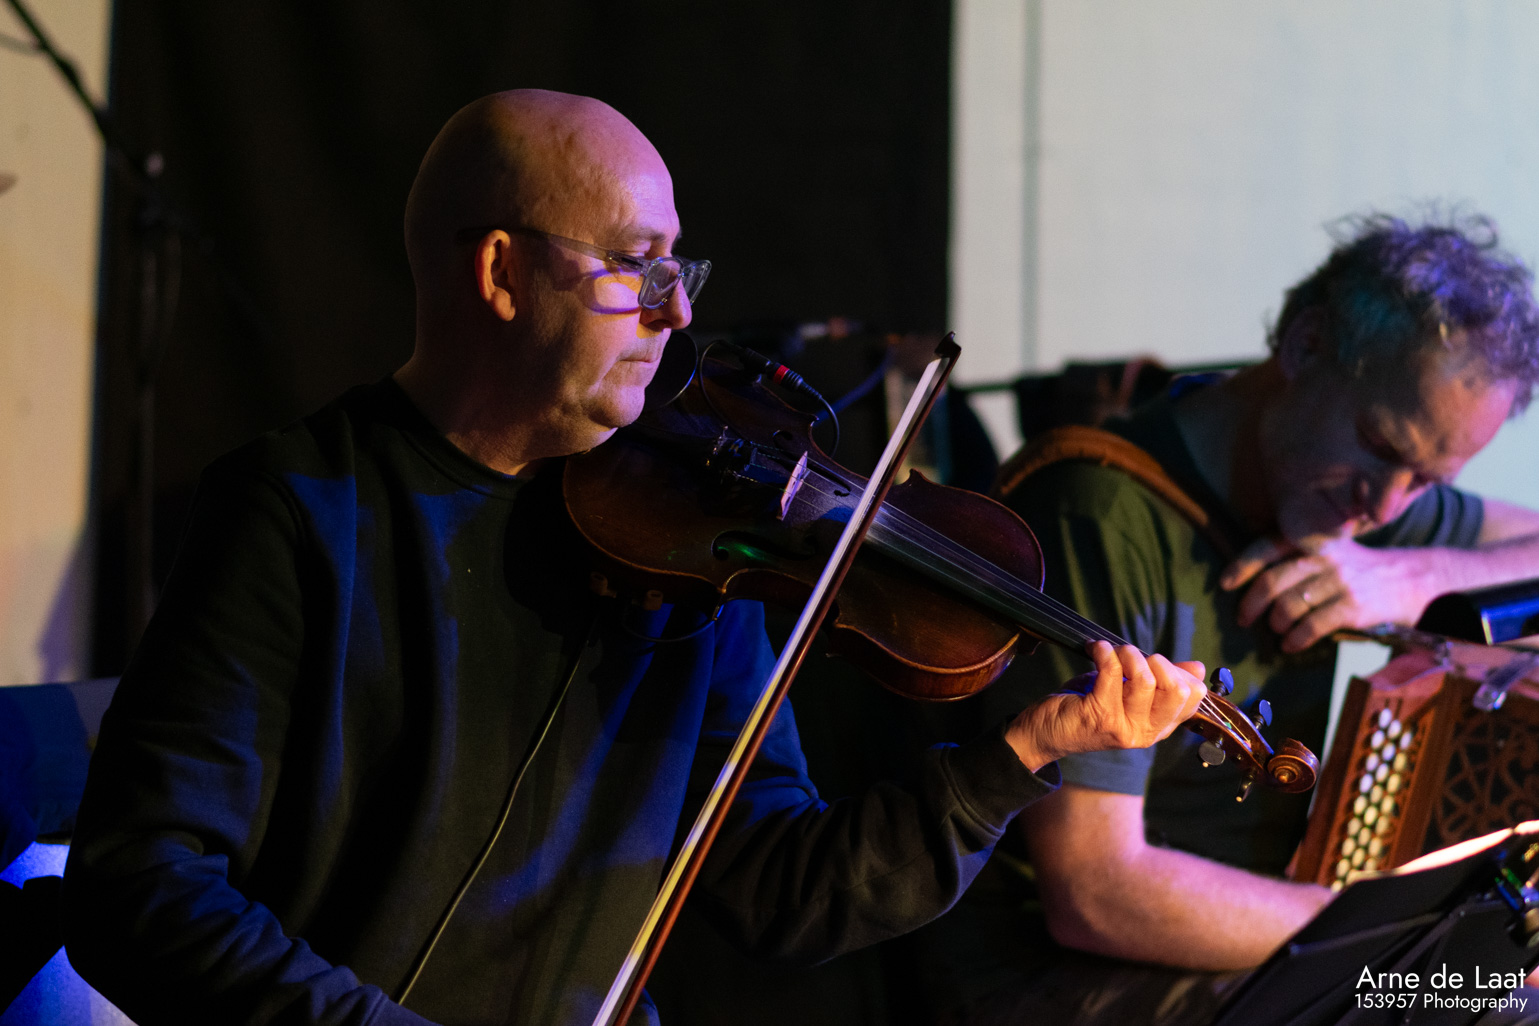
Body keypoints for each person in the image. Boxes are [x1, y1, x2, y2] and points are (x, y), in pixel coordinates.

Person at [58, 90, 1205, 1026]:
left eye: (679, 272)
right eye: (636, 266)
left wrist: (1022, 754)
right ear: (501, 273)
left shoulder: (694, 545)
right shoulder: (297, 509)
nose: (674, 315)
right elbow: (140, 887)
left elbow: (780, 887)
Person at [908, 213, 1539, 1026]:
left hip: (1262, 950)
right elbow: (1096, 894)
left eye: (1424, 481)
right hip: (1054, 979)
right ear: (1305, 345)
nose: (1386, 506)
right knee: (1488, 1012)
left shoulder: (1359, 498)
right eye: (1381, 447)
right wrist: (1384, 938)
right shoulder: (1098, 514)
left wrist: (1417, 573)